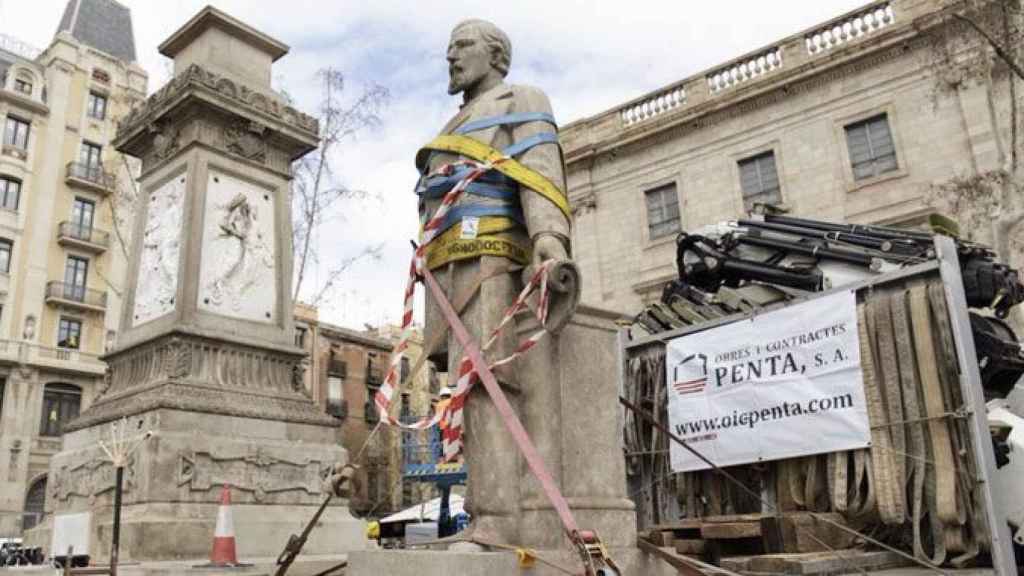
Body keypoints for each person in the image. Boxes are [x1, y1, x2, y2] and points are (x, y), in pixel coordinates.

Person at [414, 19, 574, 547]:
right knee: (465, 390)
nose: (451, 57)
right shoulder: (453, 123)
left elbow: (540, 169)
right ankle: (486, 514)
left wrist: (550, 239)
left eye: (462, 46)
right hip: (445, 266)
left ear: (497, 55)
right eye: (448, 47)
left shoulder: (519, 98)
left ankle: (498, 519)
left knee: (488, 384)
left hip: (492, 256)